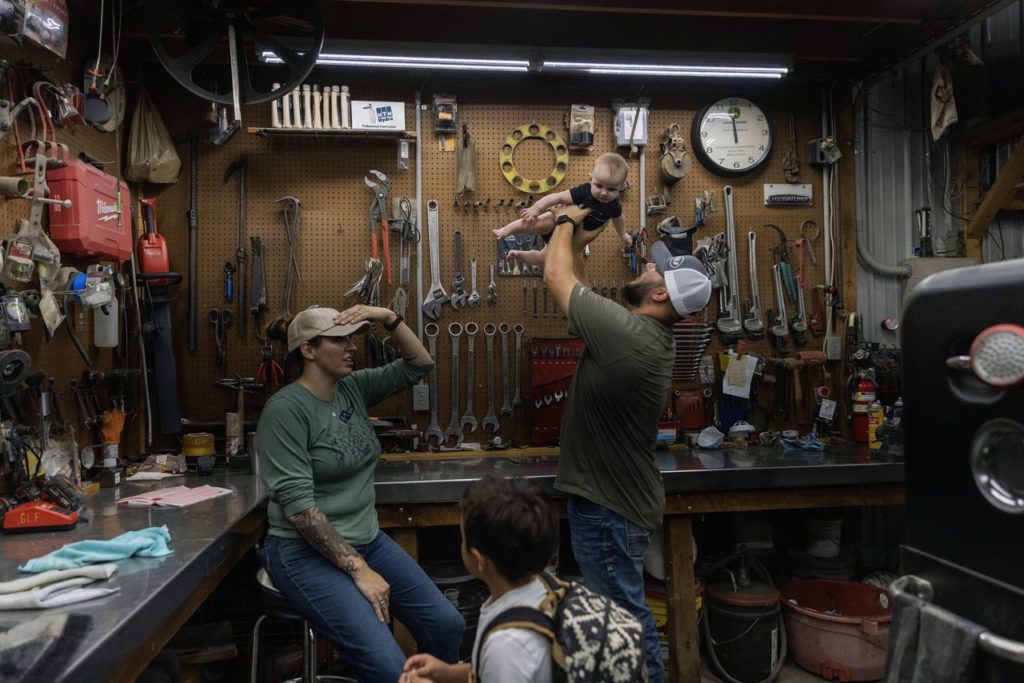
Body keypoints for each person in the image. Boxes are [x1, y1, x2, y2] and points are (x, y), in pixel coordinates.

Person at [255, 304, 465, 682]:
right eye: (339, 341)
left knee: (446, 624)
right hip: (301, 552)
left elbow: (421, 364)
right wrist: (359, 568)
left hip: (366, 539)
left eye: (351, 339)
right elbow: (300, 509)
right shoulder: (285, 410)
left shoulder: (351, 389)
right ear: (309, 350)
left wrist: (387, 317)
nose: (351, 347)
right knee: (387, 666)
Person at [543, 225, 712, 683]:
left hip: (608, 510)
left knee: (623, 624)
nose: (647, 265)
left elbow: (559, 280)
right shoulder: (641, 333)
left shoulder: (629, 336)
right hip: (615, 505)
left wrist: (568, 217)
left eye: (655, 267)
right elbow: (564, 273)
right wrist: (567, 247)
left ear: (658, 293)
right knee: (621, 618)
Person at [398, 476, 559, 683]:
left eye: (463, 538)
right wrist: (447, 673)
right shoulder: (549, 589)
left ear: (477, 559)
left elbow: (507, 663)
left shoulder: (508, 643)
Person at [494, 152, 632, 269]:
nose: (603, 193)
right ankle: (506, 230)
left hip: (571, 237)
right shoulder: (584, 191)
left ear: (621, 188)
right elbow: (558, 197)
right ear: (591, 179)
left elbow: (618, 220)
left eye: (611, 189)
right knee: (536, 223)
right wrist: (536, 209)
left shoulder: (614, 205)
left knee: (545, 259)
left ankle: (518, 254)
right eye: (599, 185)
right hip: (557, 222)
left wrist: (623, 234)